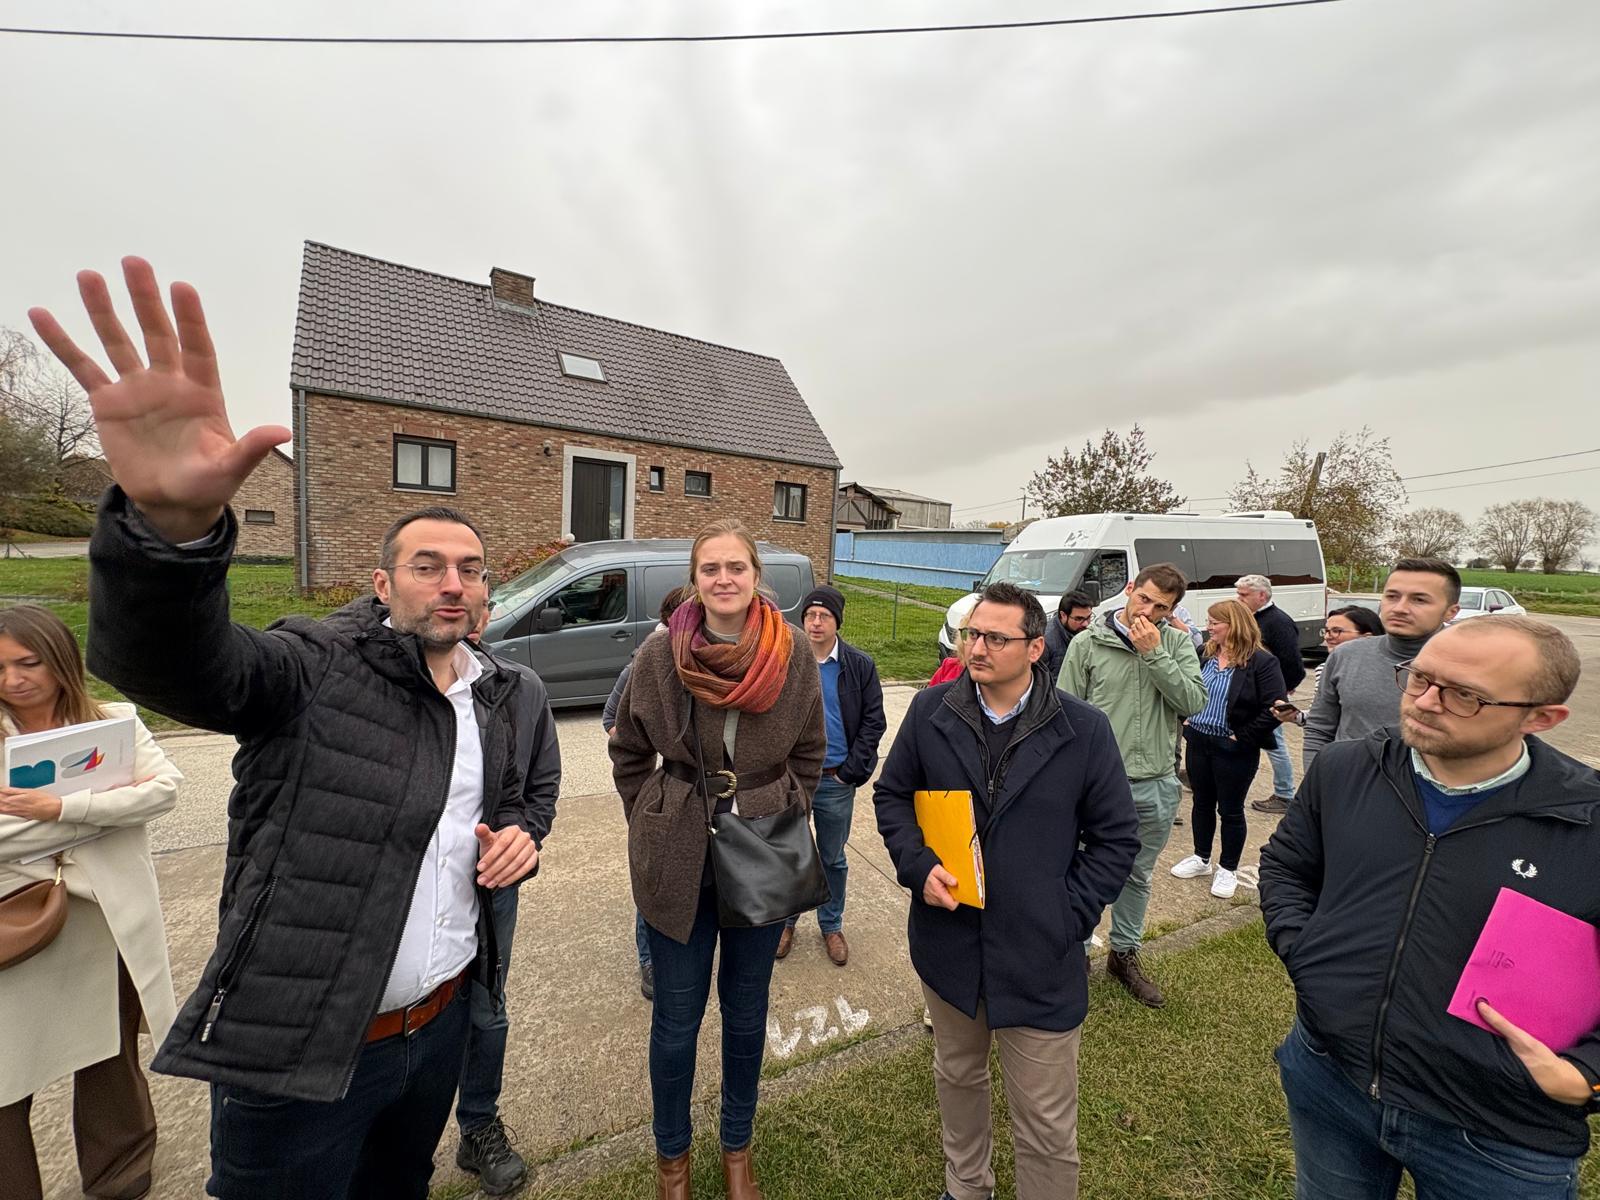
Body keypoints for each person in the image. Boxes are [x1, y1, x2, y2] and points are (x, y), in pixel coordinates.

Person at [29, 258, 539, 1200]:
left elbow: (518, 800)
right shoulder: (311, 666)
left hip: (438, 1031)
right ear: (383, 585)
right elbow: (182, 668)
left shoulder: (502, 691)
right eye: (428, 565)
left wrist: (524, 836)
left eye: (469, 567)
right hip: (301, 1051)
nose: (454, 583)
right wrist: (169, 538)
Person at [1260, 616, 1599, 1197]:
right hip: (1330, 1080)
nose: (1425, 702)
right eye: (1418, 678)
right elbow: (1287, 866)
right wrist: (1306, 954)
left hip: (1497, 1128)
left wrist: (1588, 1076)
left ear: (1541, 717)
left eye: (1464, 694)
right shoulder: (1346, 769)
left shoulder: (1587, 822)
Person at [874, 581, 1139, 1200]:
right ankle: (968, 1187)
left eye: (997, 637)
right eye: (972, 634)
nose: (978, 648)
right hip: (949, 945)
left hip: (1040, 953)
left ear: (1036, 648)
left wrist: (1066, 914)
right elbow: (893, 797)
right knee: (958, 1077)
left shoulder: (1084, 729)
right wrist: (917, 866)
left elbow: (1116, 839)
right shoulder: (930, 711)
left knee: (1045, 1119)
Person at [609, 518, 825, 1200]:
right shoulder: (658, 656)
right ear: (694, 579)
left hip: (760, 848)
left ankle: (737, 1150)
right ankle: (672, 1162)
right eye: (711, 569)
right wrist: (653, 819)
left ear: (757, 576)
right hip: (677, 856)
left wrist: (782, 809)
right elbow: (627, 751)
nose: (724, 579)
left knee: (745, 1011)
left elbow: (812, 753)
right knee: (675, 1020)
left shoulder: (792, 653)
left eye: (737, 567)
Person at [0, 605, 183, 1200]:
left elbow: (163, 792)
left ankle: (121, 1174)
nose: (13, 680)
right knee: (6, 1067)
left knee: (110, 1051)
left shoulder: (116, 724)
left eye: (28, 663)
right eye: (0, 666)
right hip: (17, 921)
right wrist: (106, 811)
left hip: (107, 920)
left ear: (60, 662)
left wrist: (62, 809)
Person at [1058, 563, 1205, 1008]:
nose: (1150, 610)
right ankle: (1077, 953)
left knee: (1137, 875)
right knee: (1080, 870)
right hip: (1097, 786)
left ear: (1173, 609)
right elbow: (1065, 716)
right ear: (1129, 590)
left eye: (1162, 606)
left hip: (1155, 782)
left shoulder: (1176, 643)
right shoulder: (1087, 643)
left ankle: (1124, 954)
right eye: (1145, 599)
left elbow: (1193, 703)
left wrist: (1154, 653)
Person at [455, 612, 562, 1197]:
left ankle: (476, 1124)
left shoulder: (522, 688)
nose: (460, 596)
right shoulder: (376, 687)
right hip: (400, 895)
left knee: (487, 1008)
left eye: (474, 579)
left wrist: (524, 837)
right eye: (434, 569)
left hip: (490, 886)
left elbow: (543, 784)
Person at [777, 585, 885, 967]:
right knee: (791, 855)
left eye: (824, 616)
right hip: (793, 780)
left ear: (837, 621)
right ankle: (786, 922)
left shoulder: (859, 666)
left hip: (836, 780)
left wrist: (852, 772)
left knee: (833, 858)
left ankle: (831, 923)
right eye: (809, 616)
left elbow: (874, 722)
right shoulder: (787, 660)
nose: (816, 622)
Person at [603, 585, 692, 1003]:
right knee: (653, 889)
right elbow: (613, 721)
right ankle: (649, 960)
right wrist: (646, 803)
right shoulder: (651, 657)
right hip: (664, 801)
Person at [1168, 600, 1286, 899]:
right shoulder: (1205, 654)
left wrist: (1241, 737)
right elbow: (1185, 687)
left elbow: (1276, 708)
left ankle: (1227, 869)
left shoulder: (1262, 662)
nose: (1208, 627)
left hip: (1234, 748)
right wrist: (1186, 721)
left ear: (1233, 624)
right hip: (1198, 740)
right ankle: (1201, 857)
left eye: (1214, 622)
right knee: (1201, 804)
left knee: (1231, 811)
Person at [1300, 558, 1461, 773]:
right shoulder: (1345, 656)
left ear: (1451, 611)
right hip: (1347, 788)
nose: (1400, 608)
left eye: (1419, 600)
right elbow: (1319, 729)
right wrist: (1317, 786)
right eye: (1392, 596)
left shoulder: (1469, 668)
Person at [1233, 575, 1307, 816]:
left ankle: (1285, 794)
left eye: (1244, 595)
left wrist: (1281, 690)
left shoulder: (1277, 622)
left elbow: (1293, 662)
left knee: (1274, 742)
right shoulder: (1252, 619)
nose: (1238, 599)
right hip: (1250, 693)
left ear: (1261, 596)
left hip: (1268, 698)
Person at [1041, 590, 1093, 682]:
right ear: (1063, 615)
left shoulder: (1090, 633)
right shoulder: (1046, 642)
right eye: (1079, 619)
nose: (1086, 624)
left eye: (1088, 617)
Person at [930, 593, 981, 686]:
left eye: (995, 638)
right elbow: (929, 698)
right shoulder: (948, 669)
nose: (978, 650)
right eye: (972, 634)